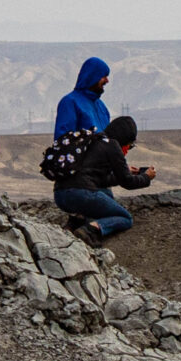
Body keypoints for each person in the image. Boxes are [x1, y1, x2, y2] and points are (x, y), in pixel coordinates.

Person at [53, 114, 154, 243]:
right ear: (125, 138)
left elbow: (101, 181)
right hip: (82, 194)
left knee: (103, 191)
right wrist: (146, 177)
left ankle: (75, 222)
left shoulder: (92, 140)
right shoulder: (112, 145)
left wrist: (125, 173)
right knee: (125, 218)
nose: (128, 149)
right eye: (130, 145)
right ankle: (90, 230)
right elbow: (127, 182)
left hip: (60, 195)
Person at [53, 56, 113, 141]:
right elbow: (63, 141)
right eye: (104, 76)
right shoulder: (70, 102)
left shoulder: (101, 106)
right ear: (93, 76)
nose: (107, 81)